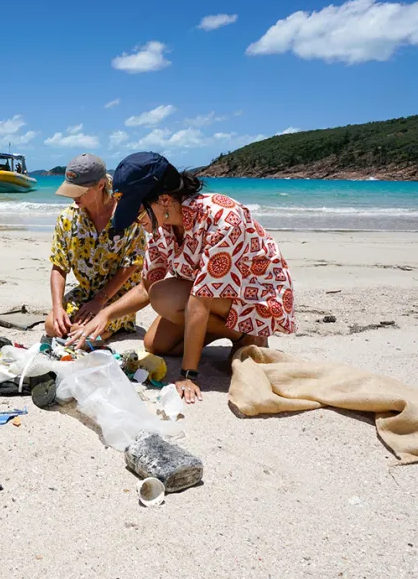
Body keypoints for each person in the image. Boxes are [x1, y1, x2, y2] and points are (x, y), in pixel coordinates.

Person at [73, 152, 296, 404]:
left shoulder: (222, 218)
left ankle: (250, 334)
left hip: (256, 300)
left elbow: (200, 300)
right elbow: (145, 288)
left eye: (137, 214)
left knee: (164, 295)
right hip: (208, 297)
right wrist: (105, 313)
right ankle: (236, 334)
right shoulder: (161, 226)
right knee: (156, 344)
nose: (136, 221)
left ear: (164, 200)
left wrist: (188, 374)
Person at [46, 153, 146, 342]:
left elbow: (131, 265)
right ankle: (87, 329)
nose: (73, 196)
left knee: (84, 337)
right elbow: (58, 266)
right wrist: (58, 306)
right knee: (52, 325)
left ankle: (111, 326)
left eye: (79, 191)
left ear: (100, 185)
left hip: (117, 296)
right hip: (85, 293)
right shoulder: (67, 218)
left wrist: (100, 300)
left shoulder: (127, 217)